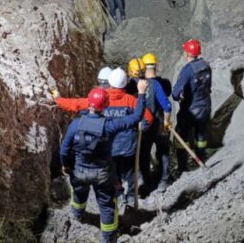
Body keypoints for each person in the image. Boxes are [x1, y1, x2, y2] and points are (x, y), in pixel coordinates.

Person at [59, 82, 149, 243]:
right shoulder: (110, 125)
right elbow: (137, 117)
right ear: (106, 105)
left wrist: (66, 165)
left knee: (79, 195)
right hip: (102, 174)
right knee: (107, 206)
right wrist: (141, 93)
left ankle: (78, 216)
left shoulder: (75, 124)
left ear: (89, 102)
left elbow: (64, 150)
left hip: (79, 171)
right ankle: (108, 238)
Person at [55, 69, 154, 209]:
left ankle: (118, 194)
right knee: (131, 173)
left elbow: (75, 104)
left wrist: (58, 100)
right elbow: (147, 117)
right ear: (125, 85)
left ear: (108, 82)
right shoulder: (131, 100)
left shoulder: (101, 98)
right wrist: (142, 126)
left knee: (113, 174)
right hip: (128, 147)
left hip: (108, 149)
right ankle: (131, 196)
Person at [172, 39, 212, 169]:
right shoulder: (206, 65)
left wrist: (178, 97)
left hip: (190, 109)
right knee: (201, 135)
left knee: (181, 136)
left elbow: (176, 93)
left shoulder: (187, 70)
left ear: (187, 53)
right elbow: (208, 86)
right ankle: (200, 160)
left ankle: (182, 167)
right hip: (205, 106)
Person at [137, 53, 173, 192]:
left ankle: (146, 182)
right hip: (158, 125)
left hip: (144, 127)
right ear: (156, 66)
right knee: (163, 152)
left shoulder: (138, 85)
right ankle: (163, 181)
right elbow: (167, 106)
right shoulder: (156, 84)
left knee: (144, 155)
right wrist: (166, 121)